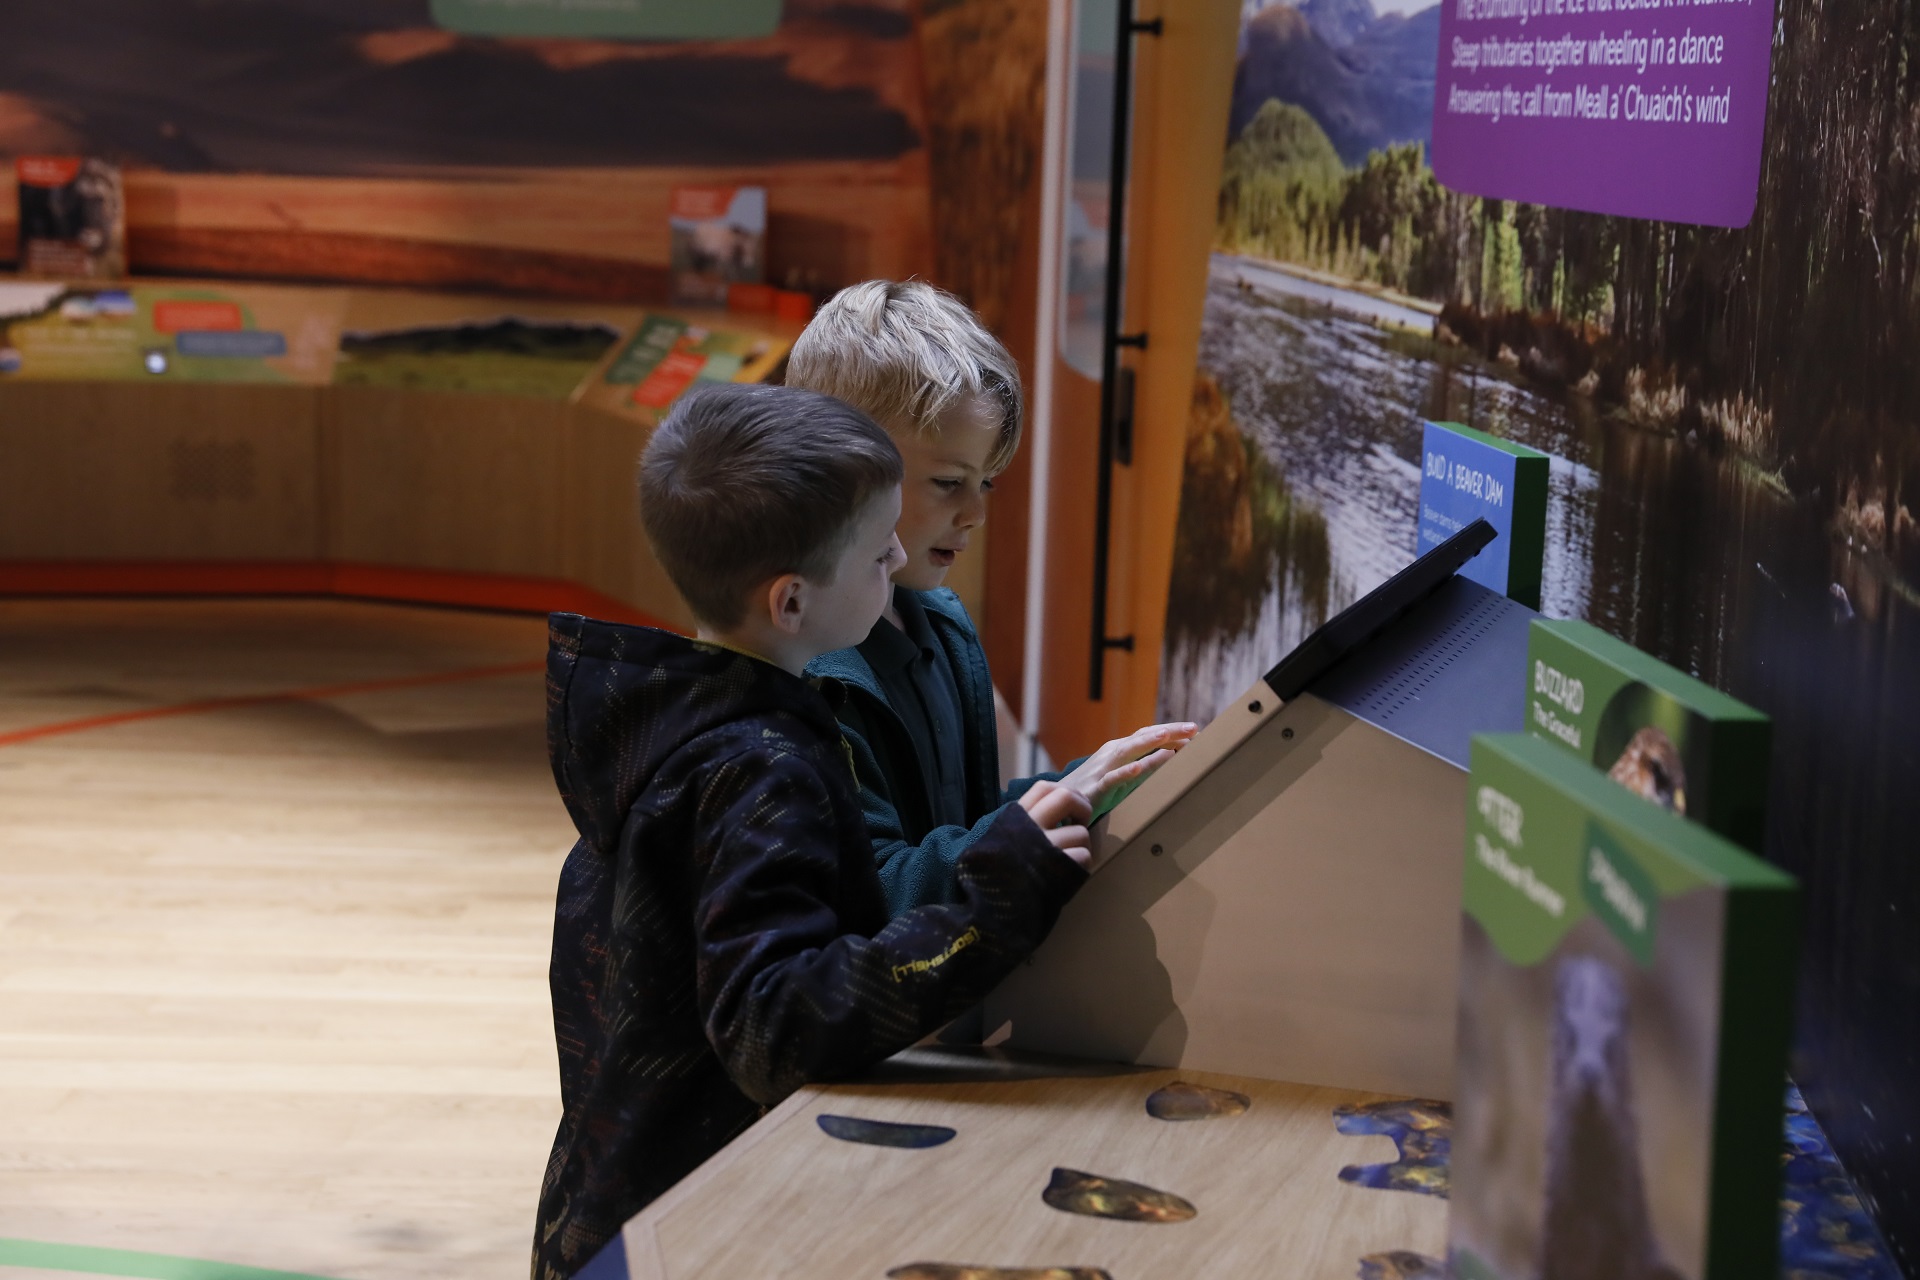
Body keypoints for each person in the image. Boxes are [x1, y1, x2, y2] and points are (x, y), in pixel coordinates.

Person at [531, 383, 1094, 1280]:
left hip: (615, 1204)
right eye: (879, 553)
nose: (902, 555)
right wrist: (996, 900)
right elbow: (778, 1029)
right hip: (699, 1229)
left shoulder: (675, 721)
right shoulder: (763, 771)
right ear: (792, 604)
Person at [788, 280, 1197, 915]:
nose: (975, 511)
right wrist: (1030, 828)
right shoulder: (810, 668)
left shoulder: (944, 625)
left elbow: (966, 820)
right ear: (840, 462)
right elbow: (872, 891)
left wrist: (1097, 780)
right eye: (949, 482)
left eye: (987, 482)